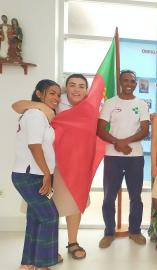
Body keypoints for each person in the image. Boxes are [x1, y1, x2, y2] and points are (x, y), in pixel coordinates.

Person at [12, 74, 90, 260]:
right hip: (45, 165)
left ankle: (72, 242)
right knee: (44, 211)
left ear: (87, 91)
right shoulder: (56, 100)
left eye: (81, 86)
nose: (76, 89)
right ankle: (43, 253)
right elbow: (16, 106)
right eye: (72, 85)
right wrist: (39, 105)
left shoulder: (92, 107)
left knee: (75, 203)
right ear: (66, 88)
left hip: (76, 163)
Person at [97, 70, 150, 248]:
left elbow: (144, 130)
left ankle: (135, 231)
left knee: (136, 197)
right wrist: (117, 143)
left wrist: (125, 142)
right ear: (120, 82)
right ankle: (109, 232)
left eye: (132, 81)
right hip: (113, 157)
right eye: (125, 80)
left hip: (135, 156)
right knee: (108, 196)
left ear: (136, 84)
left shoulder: (141, 104)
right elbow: (100, 129)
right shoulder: (110, 103)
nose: (129, 83)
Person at [12, 79, 61, 270]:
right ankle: (42, 264)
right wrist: (46, 175)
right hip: (30, 175)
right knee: (50, 216)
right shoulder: (35, 114)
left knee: (36, 217)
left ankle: (28, 263)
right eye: (51, 93)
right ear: (39, 94)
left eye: (58, 94)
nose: (56, 98)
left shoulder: (42, 116)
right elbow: (34, 146)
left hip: (35, 173)